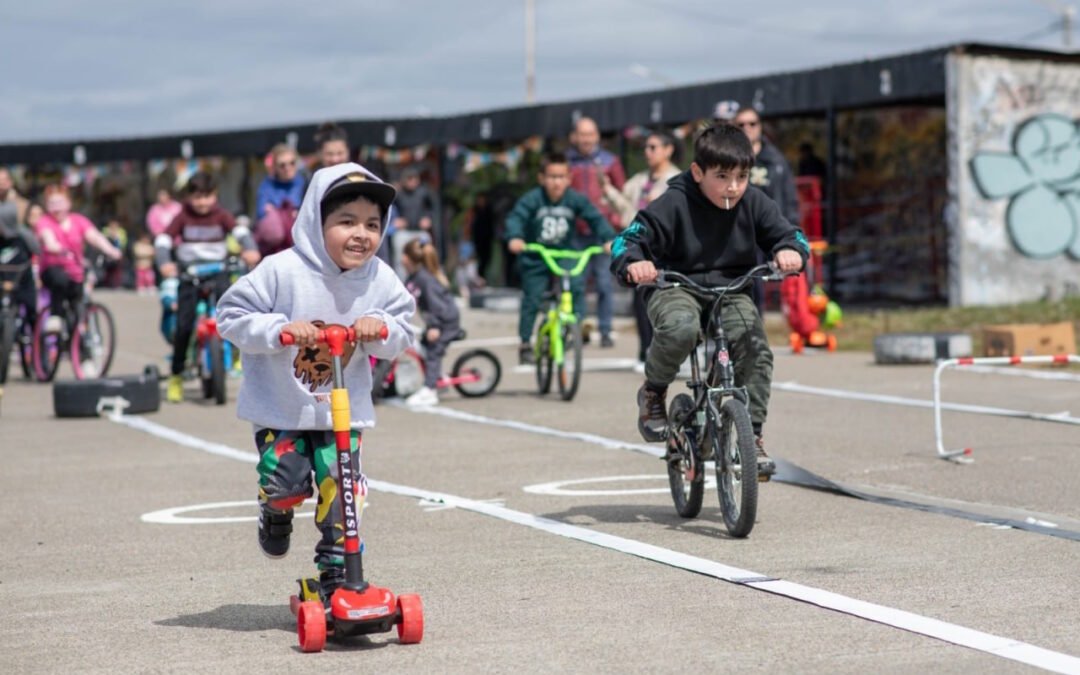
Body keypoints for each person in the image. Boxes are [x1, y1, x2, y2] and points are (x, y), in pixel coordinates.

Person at [215, 163, 416, 605]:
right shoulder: (280, 271)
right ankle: (275, 510)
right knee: (286, 482)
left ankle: (338, 574)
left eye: (372, 224)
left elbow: (404, 328)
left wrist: (380, 326)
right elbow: (229, 316)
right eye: (346, 222)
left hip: (343, 413)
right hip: (281, 409)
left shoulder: (380, 278)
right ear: (314, 222)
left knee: (343, 492)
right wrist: (280, 329)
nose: (360, 234)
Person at [610, 124, 809, 479]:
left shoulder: (754, 202)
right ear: (698, 172)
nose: (733, 186)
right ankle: (654, 392)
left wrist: (790, 251)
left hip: (731, 289)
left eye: (742, 176)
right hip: (675, 285)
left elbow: (791, 234)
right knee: (681, 328)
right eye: (722, 176)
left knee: (755, 346)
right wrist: (634, 263)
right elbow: (627, 240)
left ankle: (754, 435)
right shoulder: (674, 201)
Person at [156, 172, 261, 403]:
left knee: (233, 315)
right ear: (189, 197)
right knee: (184, 326)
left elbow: (241, 233)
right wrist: (164, 262)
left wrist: (249, 248)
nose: (202, 202)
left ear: (215, 196)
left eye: (207, 196)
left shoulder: (221, 215)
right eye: (197, 197)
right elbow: (164, 239)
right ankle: (176, 374)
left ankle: (235, 354)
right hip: (189, 274)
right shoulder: (182, 217)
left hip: (218, 271)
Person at [505, 151, 615, 365]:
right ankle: (525, 342)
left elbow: (594, 217)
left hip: (562, 253)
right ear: (542, 178)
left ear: (569, 178)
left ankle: (576, 326)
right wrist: (515, 237)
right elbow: (516, 217)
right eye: (552, 177)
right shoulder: (533, 199)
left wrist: (609, 239)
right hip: (536, 254)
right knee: (532, 297)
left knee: (576, 285)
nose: (556, 182)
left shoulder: (574, 199)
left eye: (561, 177)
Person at [601, 129, 681, 367]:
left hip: (667, 250)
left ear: (668, 150)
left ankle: (669, 352)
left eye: (653, 147)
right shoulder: (639, 180)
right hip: (641, 249)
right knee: (640, 301)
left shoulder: (678, 180)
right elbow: (627, 211)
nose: (648, 152)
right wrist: (608, 190)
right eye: (646, 147)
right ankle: (645, 350)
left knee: (669, 301)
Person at [727, 104, 801, 315]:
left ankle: (754, 331)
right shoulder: (726, 159)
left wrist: (789, 237)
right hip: (733, 233)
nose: (747, 128)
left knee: (756, 288)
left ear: (760, 126)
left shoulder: (775, 161)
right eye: (741, 124)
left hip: (763, 233)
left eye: (752, 123)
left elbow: (789, 199)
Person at [567, 116, 626, 348]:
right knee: (576, 282)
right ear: (575, 137)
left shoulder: (610, 161)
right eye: (582, 134)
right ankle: (576, 328)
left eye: (590, 134)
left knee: (604, 282)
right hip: (576, 231)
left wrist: (614, 221)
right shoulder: (567, 163)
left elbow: (621, 195)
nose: (586, 139)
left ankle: (605, 330)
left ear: (597, 136)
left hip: (603, 232)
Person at [35, 185, 123, 339]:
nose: (57, 208)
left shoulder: (78, 221)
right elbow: (47, 238)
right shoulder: (45, 222)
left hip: (75, 272)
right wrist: (54, 246)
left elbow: (94, 237)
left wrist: (111, 250)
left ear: (68, 203)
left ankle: (83, 353)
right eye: (52, 204)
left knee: (79, 309)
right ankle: (55, 316)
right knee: (59, 280)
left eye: (60, 203)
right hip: (52, 269)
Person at [401, 237, 460, 407]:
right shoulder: (413, 277)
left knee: (433, 352)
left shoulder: (426, 279)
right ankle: (437, 376)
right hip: (435, 321)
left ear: (409, 258)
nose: (401, 258)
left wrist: (435, 326)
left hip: (445, 322)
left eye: (404, 254)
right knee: (423, 347)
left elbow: (437, 306)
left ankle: (430, 390)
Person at [254, 143, 306, 257]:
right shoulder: (266, 186)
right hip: (275, 249)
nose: (288, 168)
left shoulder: (304, 182)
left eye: (292, 163)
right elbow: (261, 213)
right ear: (275, 167)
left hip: (301, 245)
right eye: (282, 165)